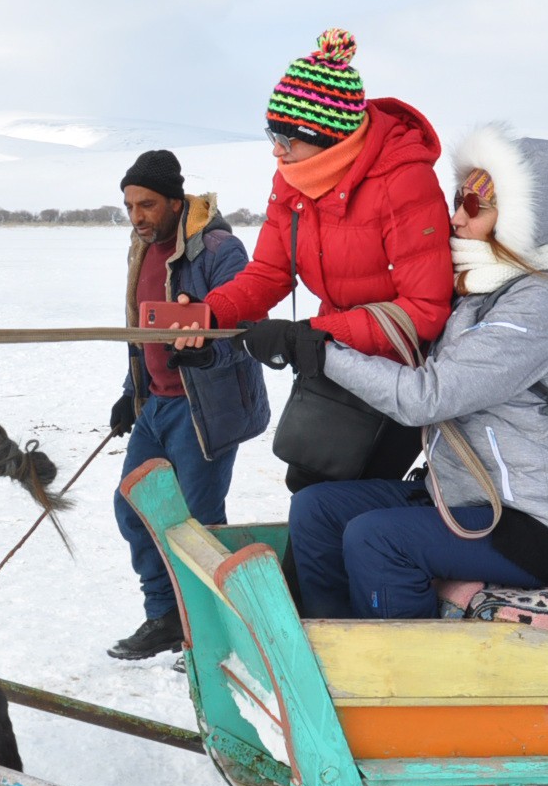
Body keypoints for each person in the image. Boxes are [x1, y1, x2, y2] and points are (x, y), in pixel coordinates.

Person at [230, 126, 548, 619]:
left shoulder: (542, 303)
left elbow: (429, 396)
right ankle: (326, 646)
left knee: (377, 539)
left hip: (538, 522)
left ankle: (394, 676)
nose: (455, 218)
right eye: (458, 199)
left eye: (474, 206)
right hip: (465, 496)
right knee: (316, 509)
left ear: (522, 221)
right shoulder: (476, 289)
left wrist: (317, 349)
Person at [194, 28, 454, 488]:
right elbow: (271, 272)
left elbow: (425, 312)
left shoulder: (403, 181)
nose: (275, 149)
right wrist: (212, 313)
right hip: (335, 358)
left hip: (402, 373)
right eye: (270, 133)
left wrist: (311, 336)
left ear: (327, 136)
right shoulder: (293, 180)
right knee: (307, 482)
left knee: (346, 497)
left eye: (286, 138)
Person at [106, 149, 269, 660]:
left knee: (197, 523)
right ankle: (166, 619)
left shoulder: (221, 249)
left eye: (148, 205)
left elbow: (246, 323)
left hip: (206, 406)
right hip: (157, 404)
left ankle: (212, 632)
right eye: (130, 206)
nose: (137, 216)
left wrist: (208, 351)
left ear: (177, 202)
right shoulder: (141, 249)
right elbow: (142, 329)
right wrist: (129, 392)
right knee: (134, 507)